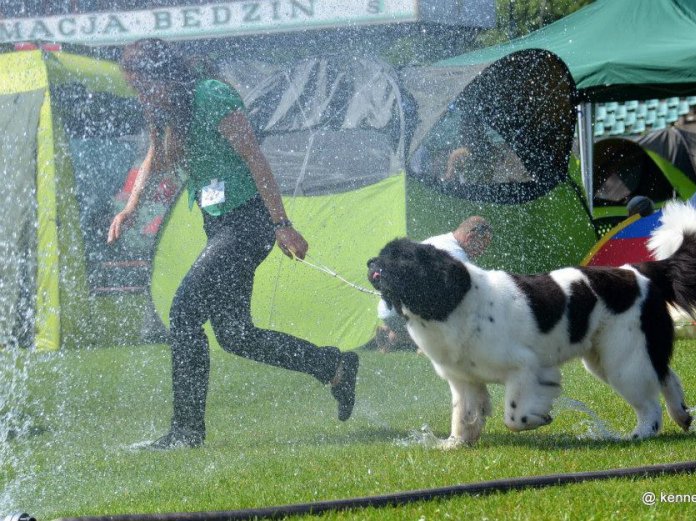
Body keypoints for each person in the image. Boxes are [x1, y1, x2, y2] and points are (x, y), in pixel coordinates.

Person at [107, 39, 358, 450]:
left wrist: (282, 224)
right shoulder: (167, 107)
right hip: (218, 222)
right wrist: (131, 208)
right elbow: (156, 153)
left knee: (184, 312)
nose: (140, 95)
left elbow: (256, 159)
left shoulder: (212, 94)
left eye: (142, 85)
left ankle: (186, 433)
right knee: (235, 334)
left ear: (161, 73)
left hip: (249, 221)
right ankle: (334, 366)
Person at [375, 216, 493, 352]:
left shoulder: (438, 240)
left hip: (387, 309)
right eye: (482, 245)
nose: (482, 252)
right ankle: (416, 340)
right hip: (402, 312)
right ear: (470, 237)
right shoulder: (458, 258)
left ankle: (394, 334)